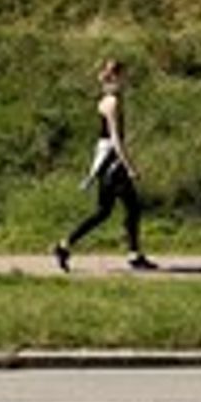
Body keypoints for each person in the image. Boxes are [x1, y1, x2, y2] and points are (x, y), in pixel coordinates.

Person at [53, 58, 156, 272]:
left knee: (106, 211)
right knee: (131, 209)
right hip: (113, 163)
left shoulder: (108, 99)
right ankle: (133, 255)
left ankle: (65, 245)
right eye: (124, 76)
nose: (127, 80)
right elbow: (115, 139)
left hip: (107, 162)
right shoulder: (113, 102)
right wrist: (129, 166)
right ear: (117, 77)